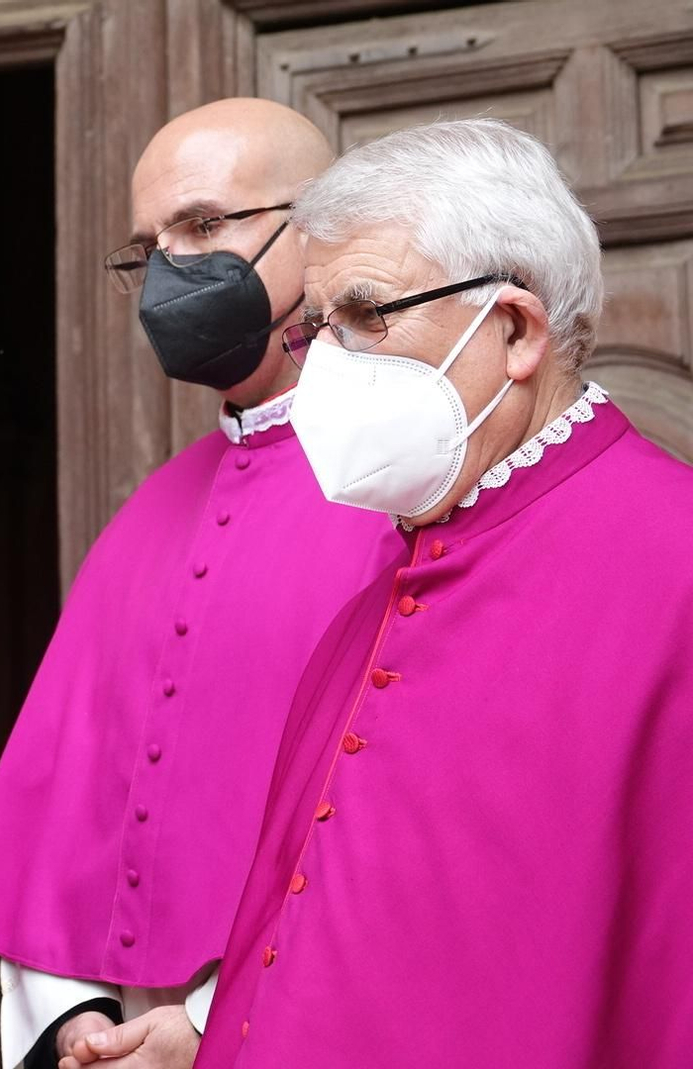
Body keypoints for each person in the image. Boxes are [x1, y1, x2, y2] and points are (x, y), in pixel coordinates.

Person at [194, 118, 693, 1069]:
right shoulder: (383, 589)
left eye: (366, 315)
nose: (325, 362)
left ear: (513, 330)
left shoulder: (677, 570)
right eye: (316, 328)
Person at [0, 98, 397, 1069]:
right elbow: (57, 827)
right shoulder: (145, 515)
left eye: (200, 226)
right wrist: (77, 1022)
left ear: (315, 229)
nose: (166, 274)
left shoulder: (406, 495)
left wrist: (205, 1024)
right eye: (146, 248)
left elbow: (402, 827)